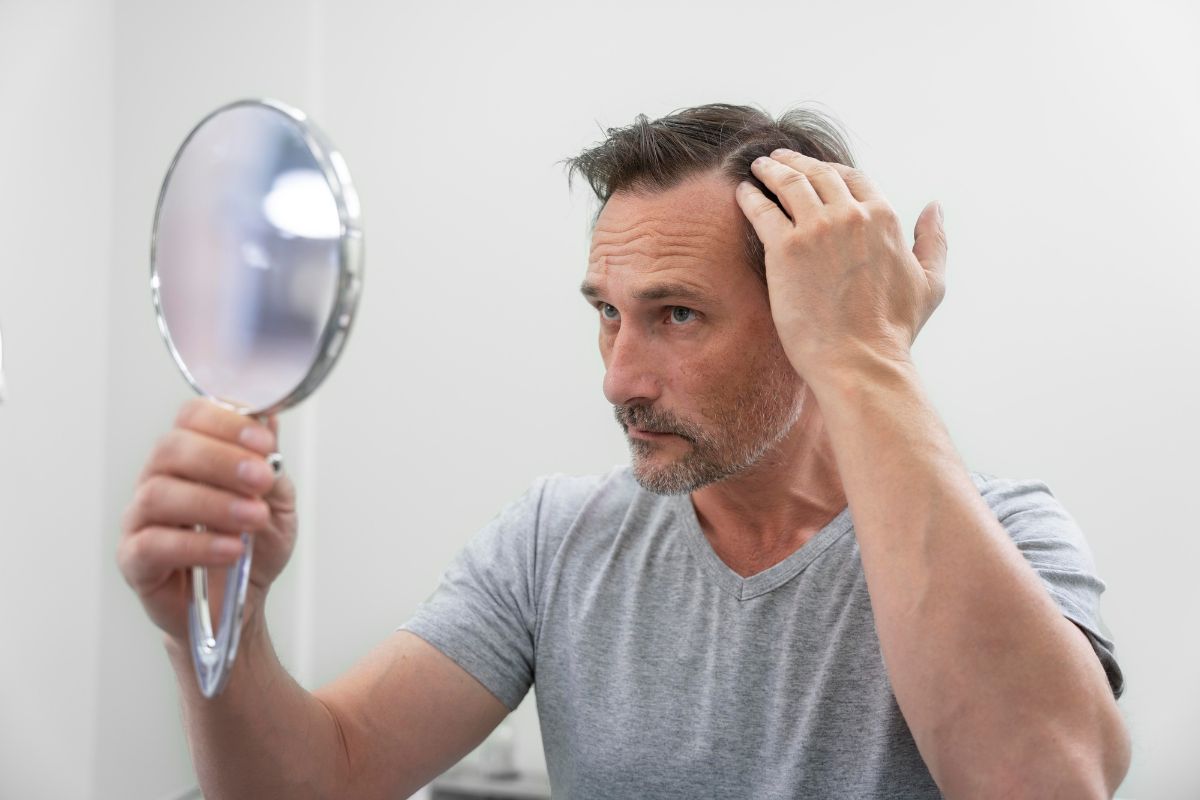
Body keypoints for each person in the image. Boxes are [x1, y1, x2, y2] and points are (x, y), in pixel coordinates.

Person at [118, 103, 1130, 799]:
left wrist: (866, 356)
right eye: (608, 313)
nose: (619, 376)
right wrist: (219, 634)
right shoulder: (557, 538)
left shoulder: (1009, 532)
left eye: (678, 314)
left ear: (808, 311)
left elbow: (1043, 779)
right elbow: (326, 774)